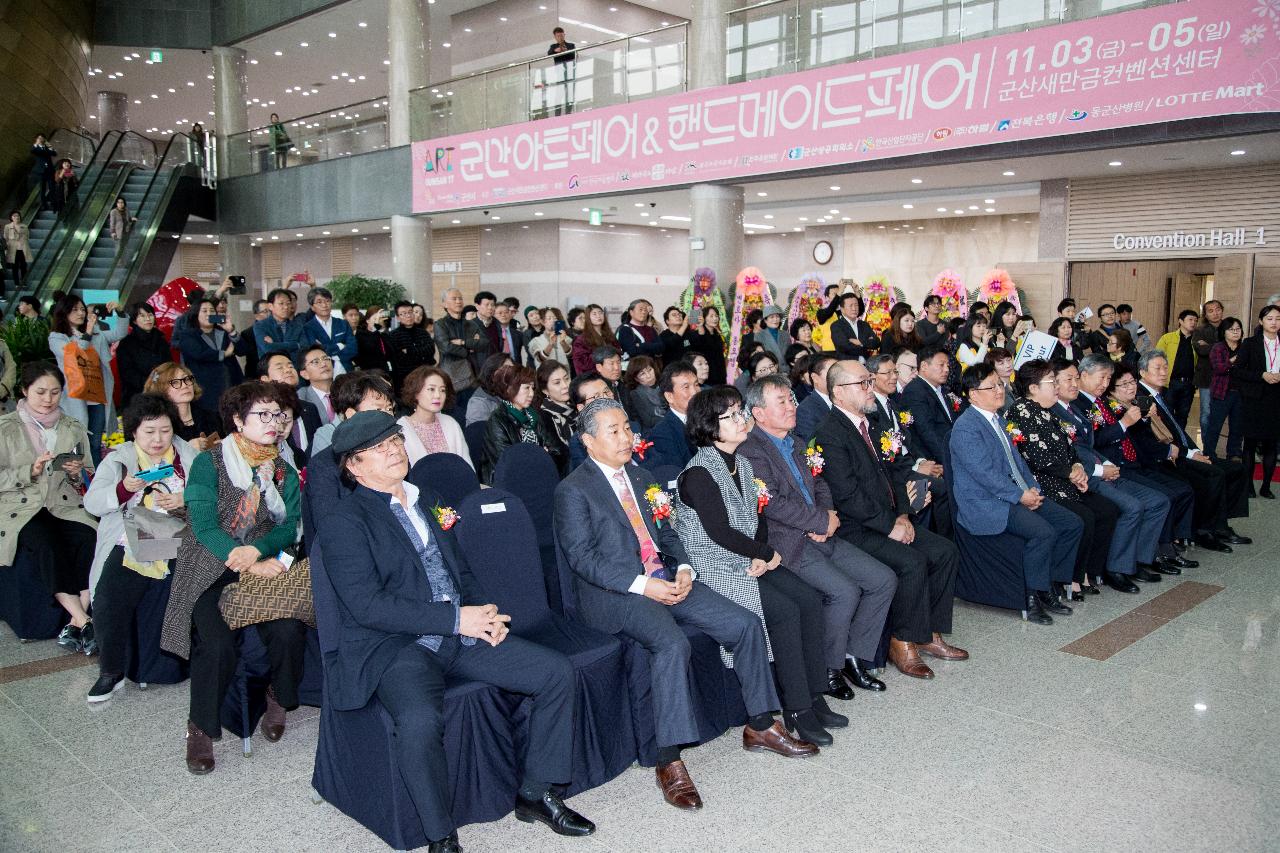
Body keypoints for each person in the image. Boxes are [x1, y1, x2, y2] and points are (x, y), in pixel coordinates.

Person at [323, 411, 595, 847]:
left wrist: (480, 613)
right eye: (378, 448)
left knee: (555, 672)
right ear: (353, 467)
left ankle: (537, 792)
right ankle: (441, 837)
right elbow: (367, 606)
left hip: (460, 632)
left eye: (394, 440)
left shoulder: (427, 497)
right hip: (396, 646)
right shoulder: (345, 523)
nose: (393, 450)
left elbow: (459, 570)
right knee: (418, 721)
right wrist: (454, 619)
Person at [557, 399, 818, 811]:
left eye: (628, 427)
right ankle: (669, 760)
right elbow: (583, 559)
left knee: (745, 623)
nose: (627, 437)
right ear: (589, 441)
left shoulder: (642, 478)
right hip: (616, 594)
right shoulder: (573, 490)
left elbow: (670, 535)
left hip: (667, 580)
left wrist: (682, 570)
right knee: (672, 643)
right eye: (615, 431)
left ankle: (762, 725)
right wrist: (644, 585)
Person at [673, 386, 844, 745]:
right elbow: (718, 532)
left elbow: (756, 515)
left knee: (808, 599)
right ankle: (796, 709)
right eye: (731, 415)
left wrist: (761, 551)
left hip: (748, 558)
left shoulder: (743, 462)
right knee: (783, 610)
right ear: (709, 426)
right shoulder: (699, 473)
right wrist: (764, 554)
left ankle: (813, 695)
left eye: (740, 412)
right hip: (718, 567)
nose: (741, 419)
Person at [161, 381, 307, 775]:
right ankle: (200, 728)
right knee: (218, 641)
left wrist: (258, 554)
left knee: (290, 628)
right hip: (210, 562)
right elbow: (204, 527)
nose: (273, 423)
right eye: (262, 414)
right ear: (238, 421)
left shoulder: (282, 470)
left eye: (278, 414)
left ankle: (279, 696)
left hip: (261, 557)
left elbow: (289, 527)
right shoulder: (208, 463)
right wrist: (244, 559)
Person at [740, 375, 896, 697]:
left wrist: (828, 518)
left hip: (824, 532)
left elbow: (821, 483)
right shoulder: (751, 451)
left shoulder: (798, 442)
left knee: (883, 579)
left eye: (790, 399)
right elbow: (770, 504)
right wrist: (819, 521)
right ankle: (828, 669)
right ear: (758, 413)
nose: (790, 406)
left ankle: (853, 655)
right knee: (844, 591)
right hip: (788, 542)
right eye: (780, 401)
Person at [814, 360, 964, 679]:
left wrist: (903, 515)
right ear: (839, 392)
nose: (871, 389)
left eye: (870, 381)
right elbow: (847, 496)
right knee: (911, 562)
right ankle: (902, 640)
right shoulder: (829, 433)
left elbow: (897, 472)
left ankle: (928, 632)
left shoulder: (874, 424)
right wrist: (889, 525)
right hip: (857, 528)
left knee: (944, 552)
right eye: (863, 383)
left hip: (890, 518)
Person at [84, 394, 198, 702]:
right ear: (133, 431)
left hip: (181, 536)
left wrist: (186, 499)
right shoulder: (118, 460)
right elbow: (92, 502)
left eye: (164, 430)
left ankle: (180, 663)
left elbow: (213, 497)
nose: (158, 439)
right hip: (130, 537)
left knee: (185, 587)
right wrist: (123, 489)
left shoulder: (188, 456)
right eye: (149, 432)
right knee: (109, 597)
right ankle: (111, 671)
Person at [951, 362, 1084, 623]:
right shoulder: (966, 427)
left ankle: (1048, 586)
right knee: (1043, 532)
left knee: (1071, 523)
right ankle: (1031, 598)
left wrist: (1031, 488)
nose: (999, 391)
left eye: (1000, 385)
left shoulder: (997, 419)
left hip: (1014, 494)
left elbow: (1017, 462)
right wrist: (1019, 496)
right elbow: (985, 475)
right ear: (973, 393)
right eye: (991, 387)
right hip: (988, 502)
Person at [1062, 355, 1189, 589]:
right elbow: (1092, 442)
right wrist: (1123, 426)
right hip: (1095, 472)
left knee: (1159, 500)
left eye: (1109, 379)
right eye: (1102, 378)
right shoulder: (1078, 404)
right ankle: (1118, 568)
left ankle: (1140, 559)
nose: (1105, 384)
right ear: (1085, 376)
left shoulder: (1097, 402)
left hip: (1113, 465)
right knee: (1134, 506)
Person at [0, 362, 97, 652]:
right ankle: (83, 618)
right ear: (24, 391)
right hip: (18, 505)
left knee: (91, 537)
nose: (48, 399)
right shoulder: (5, 428)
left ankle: (76, 623)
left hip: (62, 504)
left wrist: (75, 471)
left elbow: (89, 474)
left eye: (55, 392)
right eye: (40, 392)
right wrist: (29, 470)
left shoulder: (73, 427)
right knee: (45, 542)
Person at [1006, 360, 1118, 601]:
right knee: (1083, 517)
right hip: (1043, 483)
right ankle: (1066, 579)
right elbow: (1036, 457)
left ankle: (1087, 571)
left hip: (1064, 480)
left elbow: (1070, 447)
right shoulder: (1021, 411)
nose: (1057, 387)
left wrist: (1077, 467)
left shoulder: (1049, 411)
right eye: (1051, 382)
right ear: (1033, 388)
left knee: (1107, 510)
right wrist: (1070, 473)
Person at [1133, 350, 1250, 551]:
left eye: (1165, 367)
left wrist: (1196, 450)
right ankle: (1204, 530)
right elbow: (1153, 439)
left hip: (1184, 450)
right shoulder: (1141, 399)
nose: (1163, 372)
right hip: (1167, 458)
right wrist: (1190, 454)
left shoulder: (1161, 393)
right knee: (1214, 474)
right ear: (1143, 372)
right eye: (1158, 368)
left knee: (1237, 470)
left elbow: (1178, 429)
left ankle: (1221, 524)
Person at [301, 372, 397, 545]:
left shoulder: (395, 452)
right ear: (351, 414)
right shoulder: (325, 464)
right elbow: (330, 528)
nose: (387, 416)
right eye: (377, 409)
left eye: (389, 409)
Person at [866, 354, 952, 537]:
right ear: (872, 376)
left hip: (910, 463)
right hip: (896, 471)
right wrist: (917, 468)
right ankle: (928, 538)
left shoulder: (893, 404)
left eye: (895, 371)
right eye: (887, 373)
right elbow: (885, 455)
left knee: (943, 481)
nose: (894, 377)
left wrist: (922, 461)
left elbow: (909, 441)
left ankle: (941, 539)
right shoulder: (871, 410)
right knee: (934, 488)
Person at [48, 295, 129, 463]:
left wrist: (120, 313)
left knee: (95, 442)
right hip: (75, 396)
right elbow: (74, 355)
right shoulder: (57, 337)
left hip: (96, 394)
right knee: (77, 441)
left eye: (82, 309)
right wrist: (88, 333)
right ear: (64, 312)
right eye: (75, 309)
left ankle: (96, 480)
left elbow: (119, 333)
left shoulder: (97, 331)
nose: (80, 313)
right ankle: (78, 480)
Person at [480, 363, 567, 483]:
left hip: (541, 476)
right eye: (526, 388)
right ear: (510, 389)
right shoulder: (497, 421)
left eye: (532, 388)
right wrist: (541, 454)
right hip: (508, 483)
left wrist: (537, 457)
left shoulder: (533, 415)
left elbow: (557, 451)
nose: (531, 393)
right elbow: (508, 464)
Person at [1233, 305, 1280, 499]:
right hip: (1254, 399)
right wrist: (1262, 375)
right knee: (1250, 445)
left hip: (1276, 399)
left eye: (1278, 318)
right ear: (1261, 321)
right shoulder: (1250, 343)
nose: (1274, 322)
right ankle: (1248, 486)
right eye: (1270, 318)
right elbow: (1237, 371)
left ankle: (1266, 486)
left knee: (1271, 445)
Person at [899, 343, 959, 473]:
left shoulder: (942, 389)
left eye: (947, 365)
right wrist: (950, 461)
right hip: (936, 461)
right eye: (941, 365)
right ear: (924, 366)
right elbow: (927, 431)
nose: (947, 369)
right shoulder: (915, 391)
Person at [178, 297, 243, 415]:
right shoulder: (188, 335)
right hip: (205, 390)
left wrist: (231, 331)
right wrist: (225, 354)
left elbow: (243, 350)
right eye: (204, 311)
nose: (209, 314)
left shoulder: (223, 332)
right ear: (196, 314)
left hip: (230, 384)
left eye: (212, 311)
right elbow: (198, 353)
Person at [399, 365, 470, 468]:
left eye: (442, 390)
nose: (438, 395)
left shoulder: (450, 423)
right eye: (431, 389)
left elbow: (466, 466)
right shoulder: (401, 429)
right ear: (415, 392)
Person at [144, 362, 221, 450]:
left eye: (187, 379)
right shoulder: (159, 428)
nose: (185, 385)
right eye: (175, 382)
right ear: (160, 390)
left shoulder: (212, 417)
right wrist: (186, 450)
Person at [641, 361, 700, 471]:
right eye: (686, 387)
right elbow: (679, 474)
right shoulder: (662, 434)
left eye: (696, 385)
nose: (695, 392)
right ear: (669, 396)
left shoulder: (710, 417)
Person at [115, 303, 173, 408]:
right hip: (136, 396)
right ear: (134, 320)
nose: (148, 319)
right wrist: (150, 383)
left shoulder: (161, 340)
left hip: (161, 393)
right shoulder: (126, 343)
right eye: (142, 316)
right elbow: (127, 372)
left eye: (150, 315)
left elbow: (169, 365)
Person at [1205, 316, 1245, 462]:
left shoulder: (1245, 347)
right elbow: (1218, 368)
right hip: (1222, 393)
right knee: (1215, 425)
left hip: (1241, 393)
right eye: (1231, 329)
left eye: (1238, 329)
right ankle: (1209, 453)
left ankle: (1234, 454)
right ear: (1224, 332)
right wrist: (1232, 361)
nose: (1235, 332)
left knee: (1237, 427)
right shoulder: (1218, 347)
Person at [1156, 309, 1200, 431]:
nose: (1193, 323)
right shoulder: (1167, 338)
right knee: (1167, 414)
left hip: (1189, 384)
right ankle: (1168, 441)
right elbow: (1156, 358)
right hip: (1170, 383)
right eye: (1190, 320)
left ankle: (1180, 442)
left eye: (1196, 320)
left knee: (1183, 415)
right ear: (1181, 321)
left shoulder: (1196, 340)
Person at [301, 287, 355, 374]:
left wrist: (331, 352)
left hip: (347, 371)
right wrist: (339, 346)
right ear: (312, 307)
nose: (324, 305)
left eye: (327, 301)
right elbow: (315, 351)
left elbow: (353, 348)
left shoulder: (343, 324)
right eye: (319, 302)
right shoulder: (308, 328)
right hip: (323, 373)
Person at [387, 300, 437, 390]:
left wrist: (409, 351)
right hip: (405, 379)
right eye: (403, 313)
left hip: (425, 375)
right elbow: (400, 359)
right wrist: (420, 353)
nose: (408, 315)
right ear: (398, 318)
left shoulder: (423, 332)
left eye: (410, 312)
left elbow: (430, 350)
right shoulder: (393, 336)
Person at [253, 288, 306, 359]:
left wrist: (275, 344)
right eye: (281, 303)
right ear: (270, 306)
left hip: (294, 368)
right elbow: (268, 348)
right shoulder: (261, 325)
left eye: (288, 303)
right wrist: (295, 345)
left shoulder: (297, 325)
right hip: (272, 368)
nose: (286, 307)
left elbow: (304, 348)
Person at [794, 354, 836, 441]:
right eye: (832, 373)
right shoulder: (805, 410)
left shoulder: (847, 398)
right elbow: (811, 446)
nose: (838, 377)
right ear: (815, 378)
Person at [535, 360, 573, 455]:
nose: (565, 385)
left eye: (566, 378)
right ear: (545, 390)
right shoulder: (543, 418)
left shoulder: (578, 404)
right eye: (557, 383)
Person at [465, 353, 512, 427]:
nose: (511, 374)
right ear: (491, 373)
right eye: (505, 369)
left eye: (513, 369)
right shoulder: (478, 403)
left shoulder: (509, 390)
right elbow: (477, 434)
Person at [571, 304, 618, 376]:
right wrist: (603, 355)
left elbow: (618, 352)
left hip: (612, 374)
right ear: (588, 317)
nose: (598, 316)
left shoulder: (609, 335)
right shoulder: (581, 339)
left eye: (600, 313)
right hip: (594, 378)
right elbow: (581, 363)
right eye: (594, 314)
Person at [829, 293, 879, 361]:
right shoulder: (836, 326)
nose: (854, 308)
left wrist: (860, 342)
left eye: (856, 305)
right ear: (842, 309)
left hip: (867, 365)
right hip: (847, 364)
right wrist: (867, 343)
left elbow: (876, 342)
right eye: (850, 306)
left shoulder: (864, 324)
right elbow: (844, 346)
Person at [297, 344, 337, 425]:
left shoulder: (347, 389)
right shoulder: (301, 398)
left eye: (326, 359)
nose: (324, 364)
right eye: (315, 362)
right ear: (305, 374)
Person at [623, 355, 664, 431]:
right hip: (655, 429)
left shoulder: (664, 383)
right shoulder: (636, 394)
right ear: (636, 379)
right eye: (642, 374)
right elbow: (648, 421)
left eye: (650, 370)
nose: (649, 376)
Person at [617, 299, 665, 364]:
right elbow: (632, 351)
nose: (643, 312)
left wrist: (640, 345)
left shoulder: (650, 329)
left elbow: (661, 348)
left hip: (651, 365)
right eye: (640, 309)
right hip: (634, 367)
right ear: (631, 312)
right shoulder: (625, 329)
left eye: (645, 310)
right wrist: (652, 347)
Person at [546, 26, 578, 115]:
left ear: (564, 35)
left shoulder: (571, 45)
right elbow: (549, 54)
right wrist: (557, 51)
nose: (560, 37)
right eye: (558, 36)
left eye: (561, 35)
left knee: (569, 95)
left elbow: (574, 55)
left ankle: (568, 113)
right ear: (555, 37)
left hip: (570, 73)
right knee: (558, 95)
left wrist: (565, 50)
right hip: (559, 74)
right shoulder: (553, 46)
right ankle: (557, 116)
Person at [4, 211, 32, 292]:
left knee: (23, 266)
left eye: (18, 216)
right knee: (14, 268)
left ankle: (24, 282)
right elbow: (6, 237)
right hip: (13, 250)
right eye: (14, 216)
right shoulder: (8, 226)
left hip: (22, 249)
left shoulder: (24, 226)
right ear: (11, 217)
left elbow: (27, 236)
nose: (17, 217)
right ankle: (16, 284)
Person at [30, 134, 57, 208]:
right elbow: (32, 151)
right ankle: (44, 205)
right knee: (42, 189)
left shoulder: (47, 148)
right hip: (41, 172)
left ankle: (53, 203)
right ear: (37, 139)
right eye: (39, 138)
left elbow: (54, 154)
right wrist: (36, 144)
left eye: (42, 138)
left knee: (52, 187)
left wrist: (50, 146)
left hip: (50, 171)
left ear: (45, 139)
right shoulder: (36, 149)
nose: (41, 139)